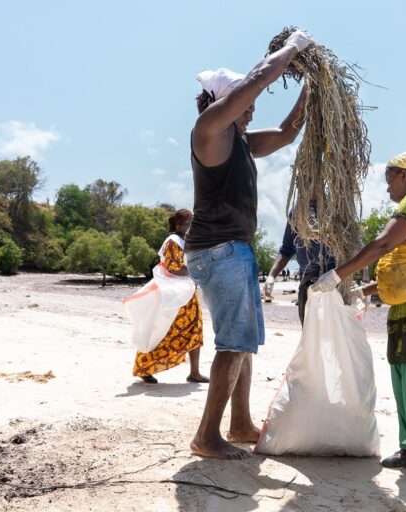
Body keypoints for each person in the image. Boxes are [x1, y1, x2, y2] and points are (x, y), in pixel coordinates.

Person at [183, 30, 315, 460]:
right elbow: (257, 81)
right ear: (223, 102)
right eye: (243, 100)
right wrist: (292, 47)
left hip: (232, 250)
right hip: (219, 250)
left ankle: (240, 423)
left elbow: (286, 132)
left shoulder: (239, 140)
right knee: (234, 343)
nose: (253, 105)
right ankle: (207, 436)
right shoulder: (210, 129)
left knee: (244, 340)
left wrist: (312, 85)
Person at [311, 152, 406, 484]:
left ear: (402, 175)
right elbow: (404, 270)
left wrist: (337, 276)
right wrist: (363, 291)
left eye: (388, 181)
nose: (387, 190)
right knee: (405, 372)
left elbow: (382, 246)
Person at [133, 209, 209, 385]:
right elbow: (173, 268)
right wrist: (198, 270)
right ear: (178, 225)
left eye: (193, 223)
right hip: (174, 297)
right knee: (163, 331)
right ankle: (144, 367)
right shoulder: (173, 242)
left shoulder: (186, 242)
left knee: (195, 331)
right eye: (188, 223)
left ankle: (195, 373)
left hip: (187, 294)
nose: (191, 227)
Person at [264, 197, 336, 324]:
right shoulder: (297, 212)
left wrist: (364, 277)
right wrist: (271, 277)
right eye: (305, 179)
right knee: (309, 337)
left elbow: (353, 244)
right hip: (307, 282)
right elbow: (286, 249)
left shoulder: (335, 207)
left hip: (334, 279)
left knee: (336, 337)